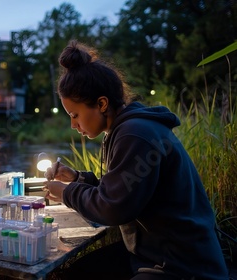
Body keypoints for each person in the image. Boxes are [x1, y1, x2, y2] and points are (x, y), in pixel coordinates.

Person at [43, 40, 229, 279]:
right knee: (73, 273)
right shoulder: (128, 129)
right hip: (156, 252)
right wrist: (79, 178)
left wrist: (66, 193)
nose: (73, 124)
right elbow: (125, 190)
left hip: (183, 265)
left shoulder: (135, 134)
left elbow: (112, 208)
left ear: (101, 104)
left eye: (75, 115)